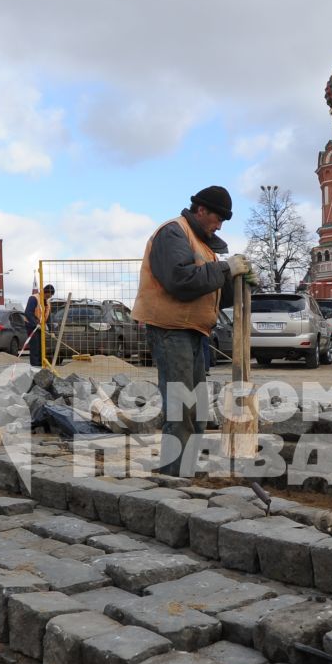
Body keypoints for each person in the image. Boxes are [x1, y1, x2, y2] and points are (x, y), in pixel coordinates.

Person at [132, 185, 249, 474]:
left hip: (194, 330)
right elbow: (181, 281)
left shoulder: (203, 245)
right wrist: (225, 270)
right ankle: (175, 472)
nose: (219, 225)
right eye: (217, 218)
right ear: (201, 210)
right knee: (181, 403)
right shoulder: (173, 233)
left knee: (196, 405)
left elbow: (210, 291)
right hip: (172, 330)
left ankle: (184, 467)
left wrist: (239, 282)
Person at [24, 283, 54, 367]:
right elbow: (28, 313)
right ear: (45, 292)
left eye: (50, 297)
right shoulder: (34, 298)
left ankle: (41, 365)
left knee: (42, 347)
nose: (48, 298)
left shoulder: (47, 302)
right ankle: (35, 366)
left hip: (40, 326)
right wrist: (35, 323)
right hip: (31, 326)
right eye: (48, 296)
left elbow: (48, 317)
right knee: (35, 347)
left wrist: (52, 330)